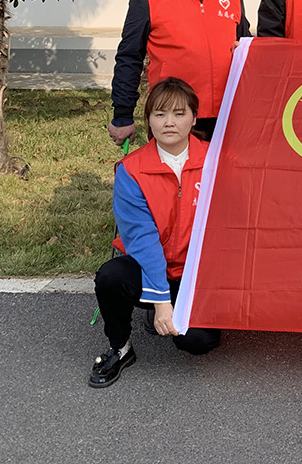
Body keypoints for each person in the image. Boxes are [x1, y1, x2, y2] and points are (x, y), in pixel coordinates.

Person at [90, 78, 221, 387]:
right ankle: (120, 347)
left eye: (179, 113)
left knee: (197, 342)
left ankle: (180, 308)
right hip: (150, 268)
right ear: (148, 120)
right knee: (110, 276)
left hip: (197, 275)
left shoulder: (216, 161)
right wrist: (161, 300)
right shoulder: (131, 170)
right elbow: (142, 240)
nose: (169, 122)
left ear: (194, 118)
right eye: (160, 114)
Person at [108, 0, 250, 145]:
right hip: (172, 114)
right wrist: (122, 115)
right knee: (174, 169)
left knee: (224, 169)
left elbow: (246, 48)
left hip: (227, 112)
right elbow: (129, 56)